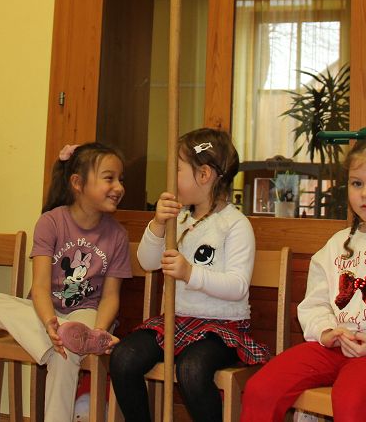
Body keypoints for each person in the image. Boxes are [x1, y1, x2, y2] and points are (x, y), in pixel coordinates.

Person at [240, 137, 366, 422]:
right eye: (356, 183)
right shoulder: (337, 244)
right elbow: (315, 304)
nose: (365, 194)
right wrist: (326, 331)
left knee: (351, 401)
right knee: (261, 388)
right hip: (333, 347)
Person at [110, 128, 269, 422]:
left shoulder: (234, 224)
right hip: (177, 320)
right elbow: (147, 262)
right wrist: (158, 224)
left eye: (177, 170)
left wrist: (189, 273)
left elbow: (237, 286)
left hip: (221, 328)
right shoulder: (179, 218)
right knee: (123, 358)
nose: (171, 179)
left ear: (204, 175)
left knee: (191, 369)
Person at [0, 142, 132, 422]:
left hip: (87, 314)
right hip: (46, 312)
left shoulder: (117, 235)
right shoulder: (51, 222)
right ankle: (66, 337)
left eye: (120, 179)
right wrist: (51, 323)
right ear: (77, 183)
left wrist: (99, 330)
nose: (118, 187)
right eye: (109, 178)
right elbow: (39, 286)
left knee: (65, 352)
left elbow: (111, 296)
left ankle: (77, 339)